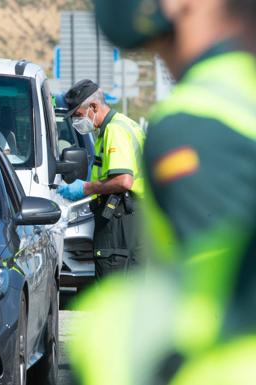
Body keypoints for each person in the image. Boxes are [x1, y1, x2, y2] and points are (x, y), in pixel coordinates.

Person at [68, 0, 256, 384]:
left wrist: (108, 343)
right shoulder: (236, 94)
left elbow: (213, 306)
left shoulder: (197, 122)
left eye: (76, 115)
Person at [57, 80, 145, 277]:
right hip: (133, 217)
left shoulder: (115, 130)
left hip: (121, 217)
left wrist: (86, 188)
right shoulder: (124, 124)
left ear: (93, 107)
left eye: (79, 115)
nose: (78, 122)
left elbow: (123, 181)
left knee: (113, 279)